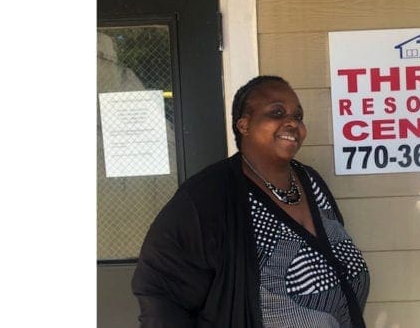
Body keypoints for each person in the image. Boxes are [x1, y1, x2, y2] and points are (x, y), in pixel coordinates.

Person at [132, 75, 370, 327]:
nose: (292, 122)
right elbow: (160, 291)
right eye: (277, 112)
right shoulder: (209, 194)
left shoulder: (310, 181)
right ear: (244, 125)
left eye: (297, 116)